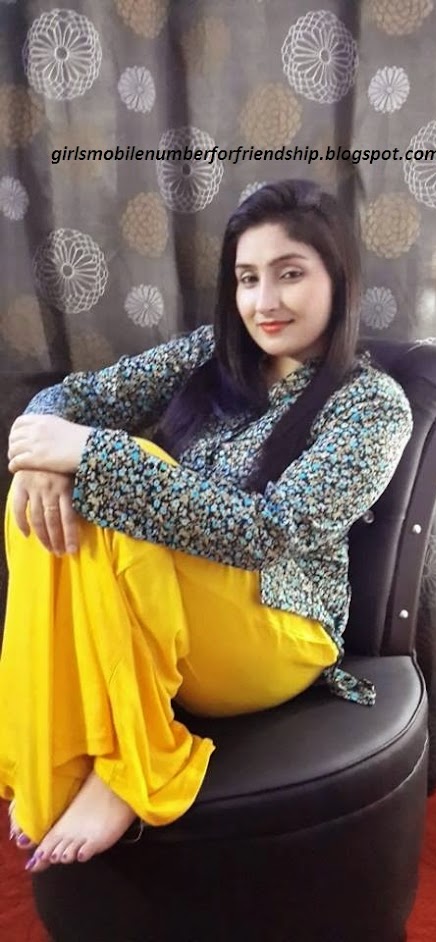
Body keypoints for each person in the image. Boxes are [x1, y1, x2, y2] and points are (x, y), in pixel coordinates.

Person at [0, 178, 413, 880]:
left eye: (290, 274)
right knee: (48, 495)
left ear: (338, 279)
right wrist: (41, 452)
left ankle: (134, 767)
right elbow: (78, 395)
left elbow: (267, 533)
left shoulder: (372, 406)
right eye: (247, 279)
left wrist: (94, 455)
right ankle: (67, 749)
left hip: (279, 633)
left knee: (120, 479)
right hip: (177, 614)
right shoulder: (212, 355)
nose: (264, 301)